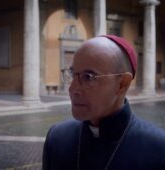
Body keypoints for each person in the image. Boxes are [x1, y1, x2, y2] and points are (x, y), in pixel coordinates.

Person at [43, 35, 165, 170]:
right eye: (72, 74)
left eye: (88, 77)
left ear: (122, 84)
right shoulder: (56, 138)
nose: (72, 89)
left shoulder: (159, 149)